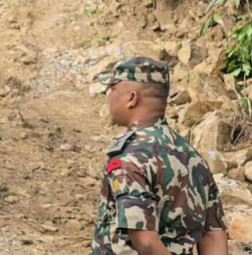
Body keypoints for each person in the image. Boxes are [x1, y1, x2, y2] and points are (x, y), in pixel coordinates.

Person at [89, 57, 228, 254]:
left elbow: (146, 242)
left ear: (131, 98)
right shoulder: (192, 157)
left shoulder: (130, 159)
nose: (109, 96)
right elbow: (213, 234)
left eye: (113, 89)